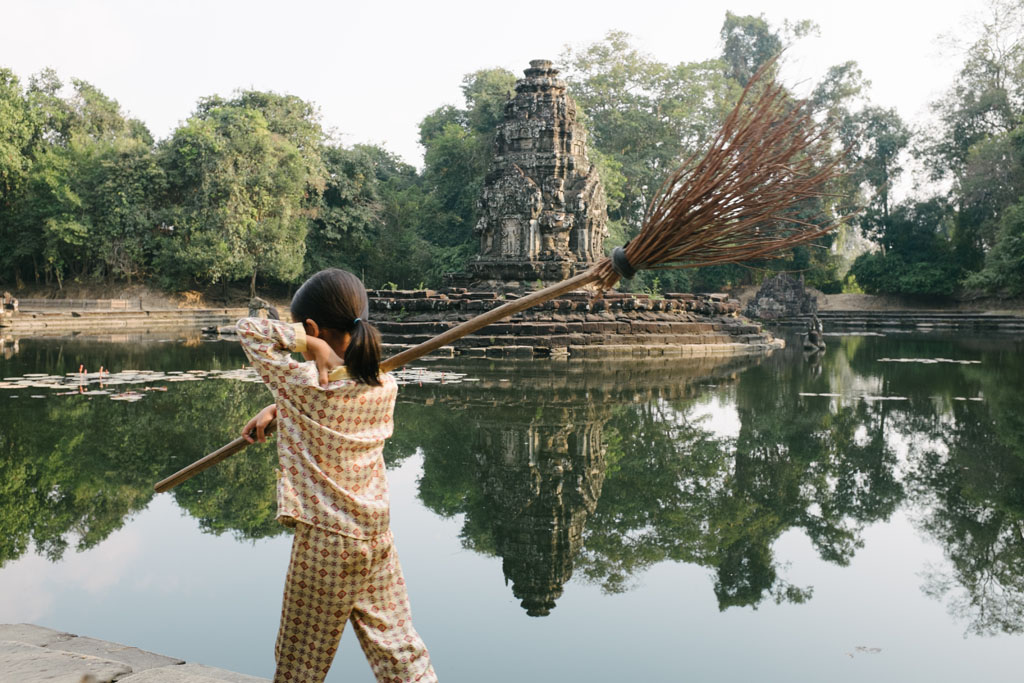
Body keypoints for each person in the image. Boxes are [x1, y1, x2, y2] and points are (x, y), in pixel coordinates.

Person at [237, 268, 437, 683]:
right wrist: (279, 409)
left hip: (327, 541)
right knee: (400, 651)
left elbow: (248, 329)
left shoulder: (301, 383)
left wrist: (304, 347)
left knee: (299, 664)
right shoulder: (386, 385)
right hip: (375, 534)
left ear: (312, 327)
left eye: (306, 332)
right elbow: (326, 398)